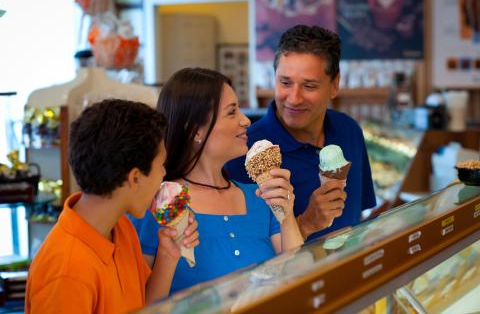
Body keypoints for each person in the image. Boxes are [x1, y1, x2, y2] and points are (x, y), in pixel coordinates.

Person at [130, 68, 303, 294]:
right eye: (232, 112)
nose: (246, 121)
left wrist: (287, 215)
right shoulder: (153, 206)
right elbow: (140, 304)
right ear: (194, 130)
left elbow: (299, 279)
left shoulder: (261, 197)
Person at [25, 99, 199, 313]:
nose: (164, 174)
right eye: (160, 165)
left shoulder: (121, 228)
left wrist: (167, 256)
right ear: (134, 178)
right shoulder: (66, 270)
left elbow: (145, 308)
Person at [226, 25, 376, 241]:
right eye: (285, 82)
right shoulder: (244, 151)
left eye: (309, 86)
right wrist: (307, 223)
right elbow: (242, 252)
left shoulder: (349, 131)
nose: (294, 98)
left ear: (334, 85)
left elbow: (357, 216)